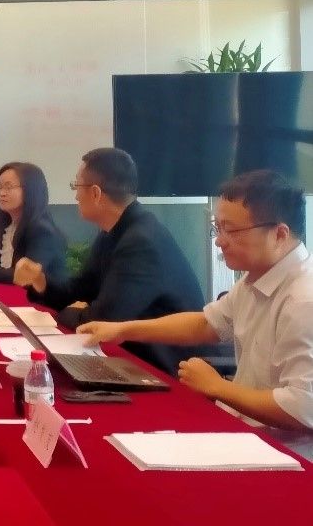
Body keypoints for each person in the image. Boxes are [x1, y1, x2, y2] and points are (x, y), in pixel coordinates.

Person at [80, 170, 312, 448]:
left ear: (279, 234)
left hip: (286, 452)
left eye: (231, 230)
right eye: (218, 228)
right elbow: (206, 324)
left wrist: (218, 387)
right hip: (241, 429)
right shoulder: (255, 278)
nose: (219, 241)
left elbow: (302, 407)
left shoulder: (303, 300)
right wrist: (124, 330)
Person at [12, 147, 205, 373]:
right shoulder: (114, 230)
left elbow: (103, 321)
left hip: (164, 367)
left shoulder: (140, 241)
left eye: (76, 186)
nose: (75, 196)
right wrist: (41, 281)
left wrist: (73, 311)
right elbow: (80, 289)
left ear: (95, 193)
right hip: (129, 354)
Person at [0, 161, 67, 287]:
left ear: (31, 190)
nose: (2, 193)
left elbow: (27, 277)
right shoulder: (11, 226)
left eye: (8, 187)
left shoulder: (42, 231)